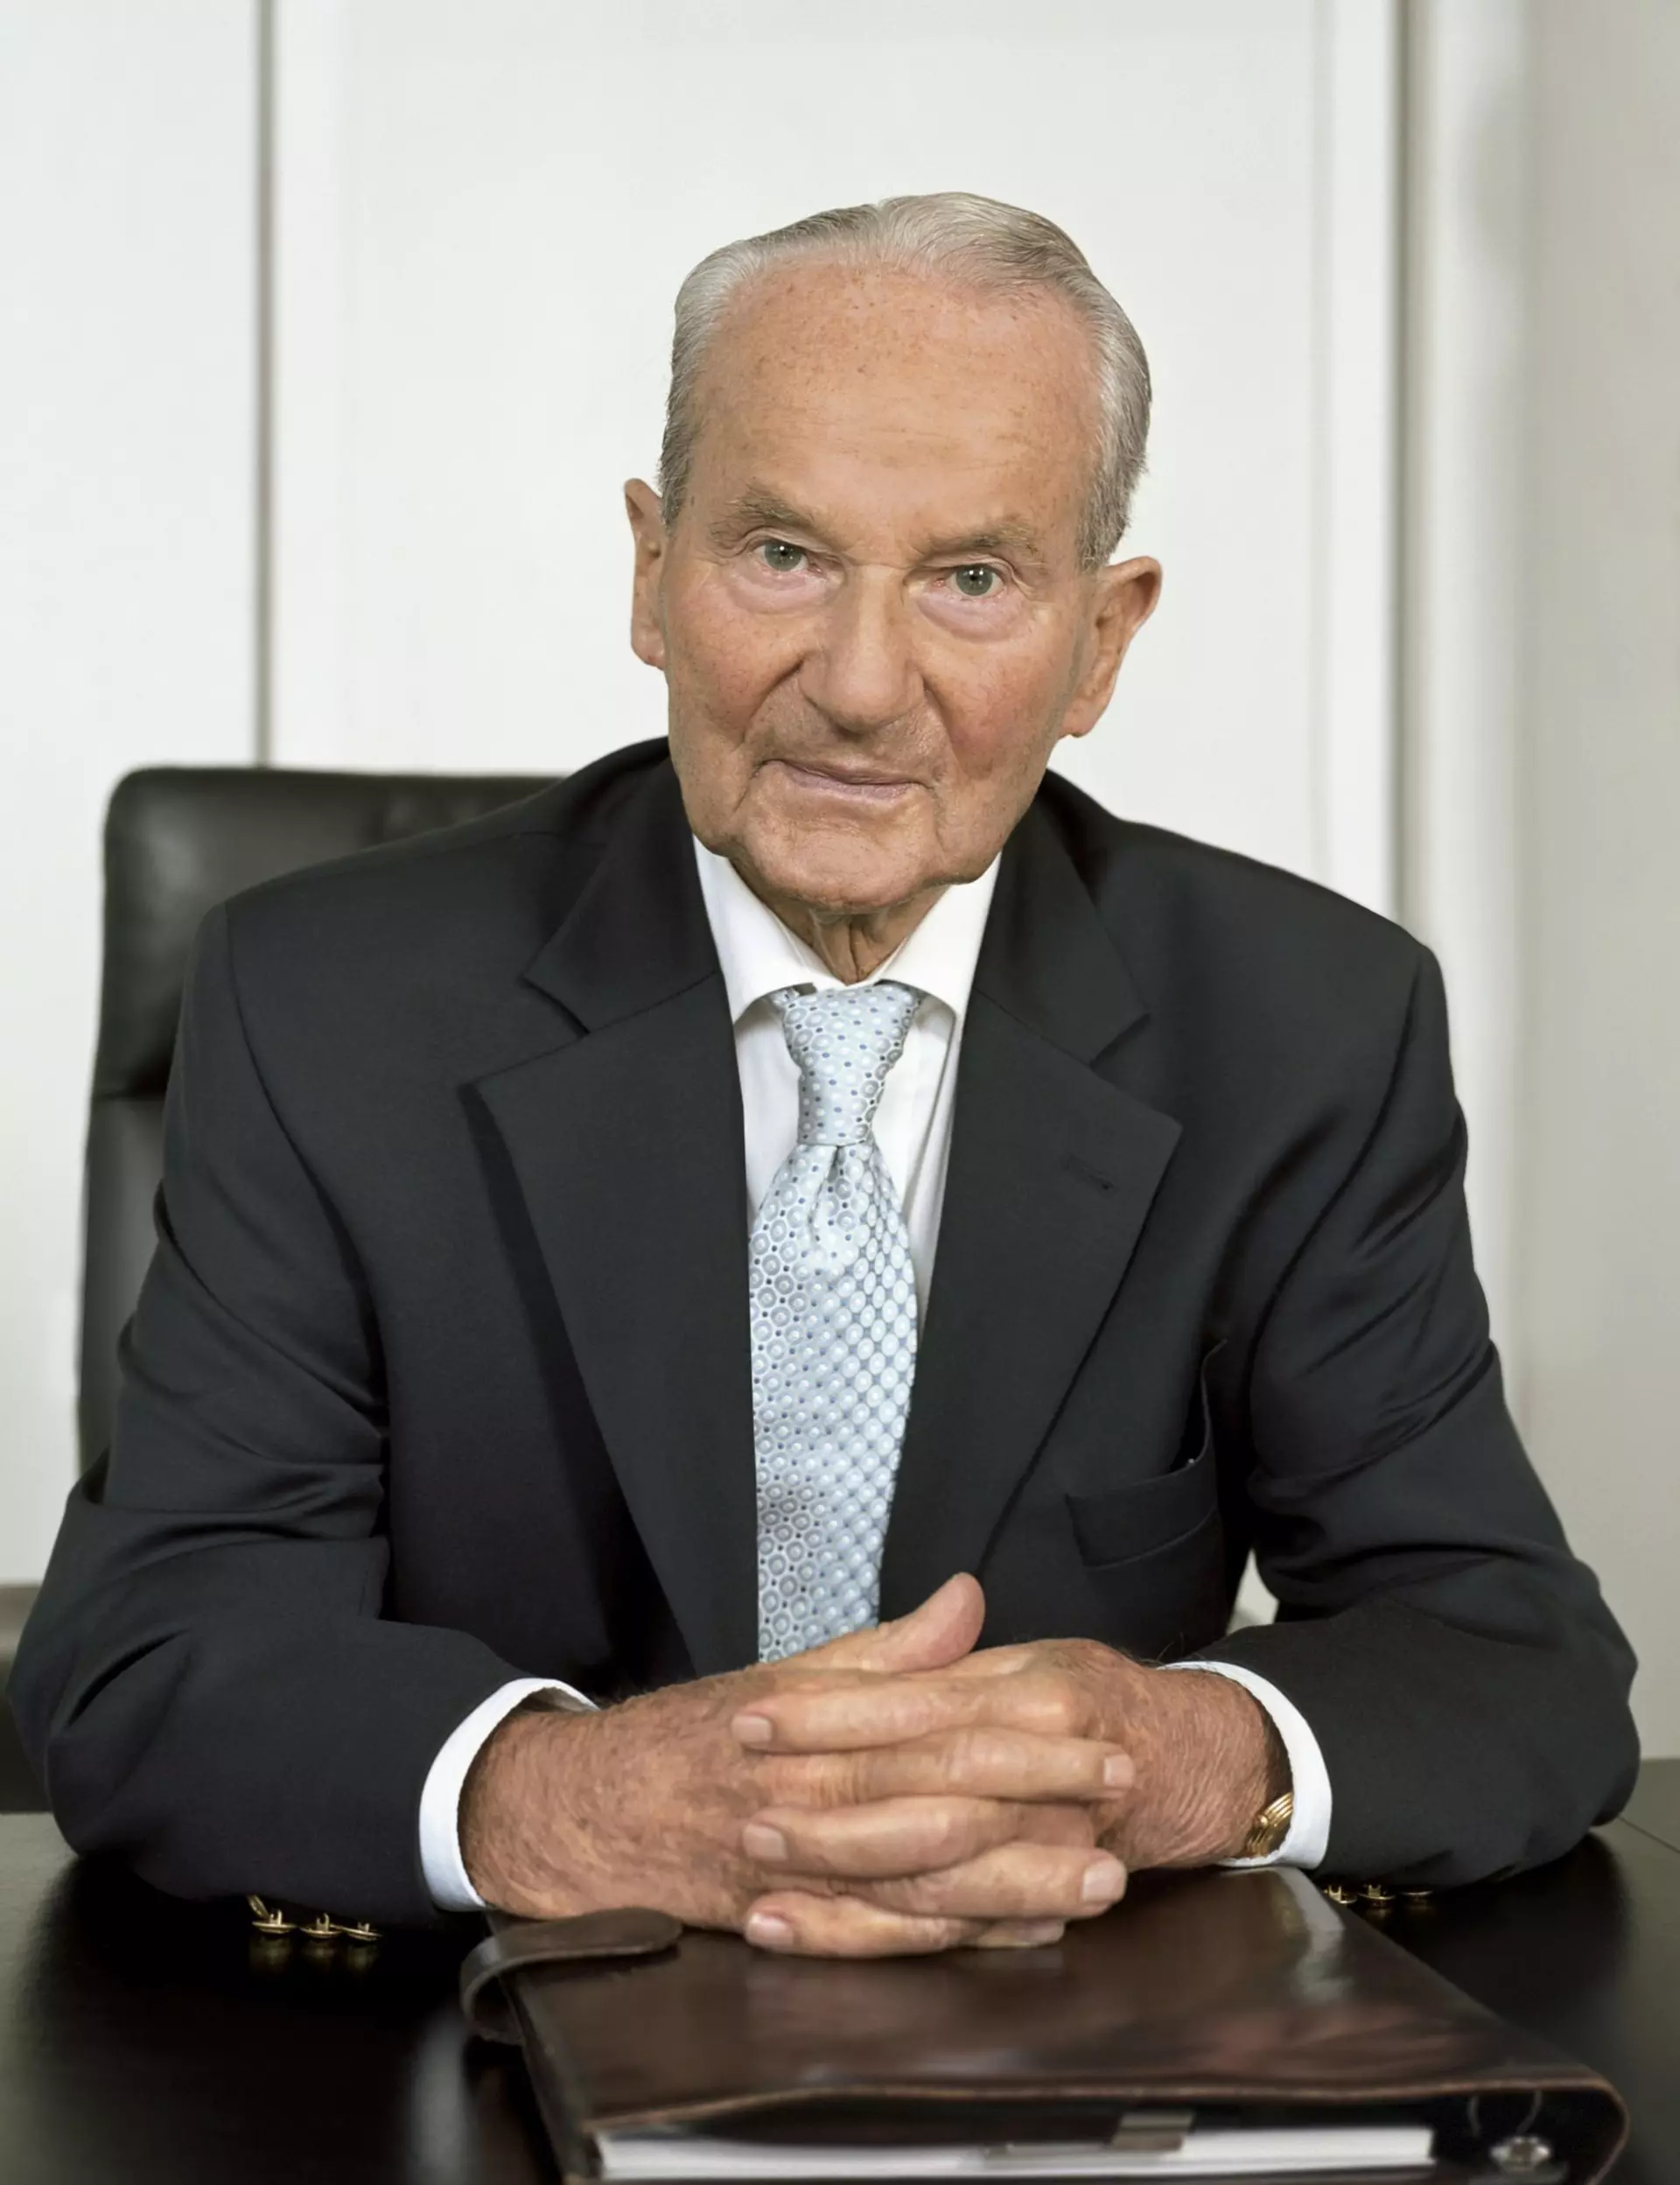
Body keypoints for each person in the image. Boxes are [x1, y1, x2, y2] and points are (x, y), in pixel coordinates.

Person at [11, 193, 1636, 1956]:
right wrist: (577, 1803)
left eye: (972, 579)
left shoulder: (1308, 1026)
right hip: (463, 2043)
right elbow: (154, 1649)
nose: (861, 687)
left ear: (1101, 641)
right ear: (651, 572)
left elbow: (1505, 1657)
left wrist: (1163, 1751)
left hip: (1058, 2046)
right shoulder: (321, 1004)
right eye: (782, 555)